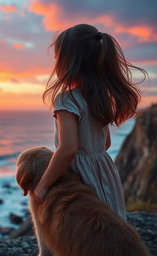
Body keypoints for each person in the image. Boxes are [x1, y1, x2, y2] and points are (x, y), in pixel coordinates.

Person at [31, 24, 147, 221]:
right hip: (104, 168)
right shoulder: (100, 96)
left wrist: (42, 186)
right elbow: (106, 143)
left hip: (81, 175)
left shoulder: (66, 100)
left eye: (57, 58)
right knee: (111, 222)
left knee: (89, 226)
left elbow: (68, 149)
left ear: (68, 62)